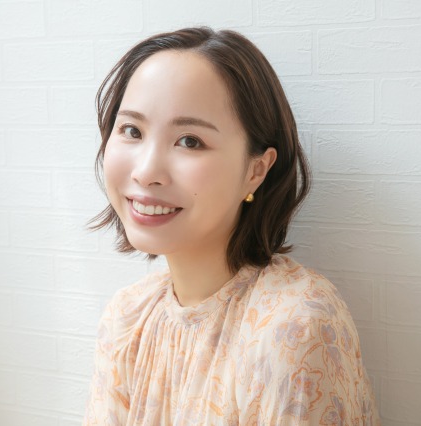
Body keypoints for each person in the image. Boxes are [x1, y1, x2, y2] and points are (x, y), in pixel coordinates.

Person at [83, 27, 380, 425]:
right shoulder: (127, 317)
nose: (147, 171)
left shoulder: (293, 327)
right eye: (132, 131)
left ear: (256, 171)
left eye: (190, 141)